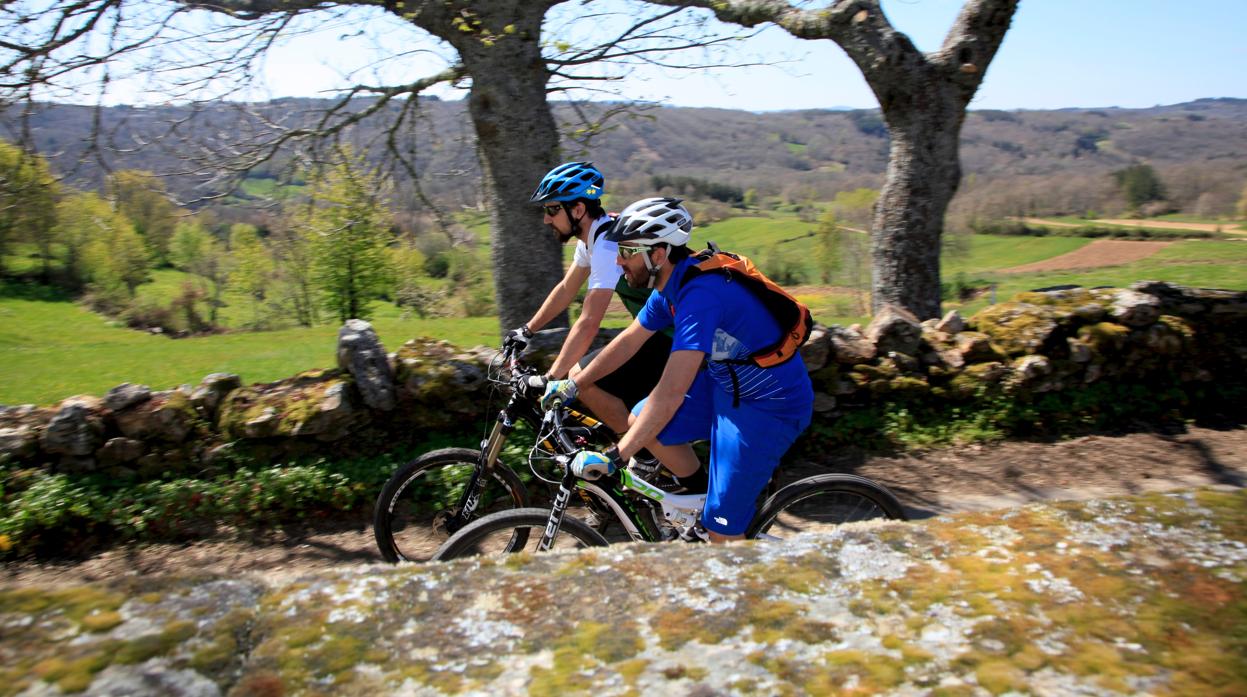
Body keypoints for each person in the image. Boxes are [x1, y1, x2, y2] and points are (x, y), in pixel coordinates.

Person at [542, 197, 814, 543]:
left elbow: (669, 394)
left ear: (657, 254)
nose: (618, 260)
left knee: (722, 539)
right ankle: (700, 498)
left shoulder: (701, 296)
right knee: (640, 421)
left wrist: (615, 456)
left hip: (767, 407)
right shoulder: (672, 285)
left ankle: (723, 533)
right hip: (724, 387)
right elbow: (628, 342)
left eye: (627, 250)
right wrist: (574, 385)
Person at [501, 162, 673, 437]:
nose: (546, 219)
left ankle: (639, 455)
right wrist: (527, 330)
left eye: (552, 209)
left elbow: (589, 321)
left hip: (671, 334)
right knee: (586, 378)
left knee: (582, 379)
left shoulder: (607, 246)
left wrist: (551, 378)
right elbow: (567, 289)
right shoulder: (594, 238)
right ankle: (639, 446)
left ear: (578, 210)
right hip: (655, 332)